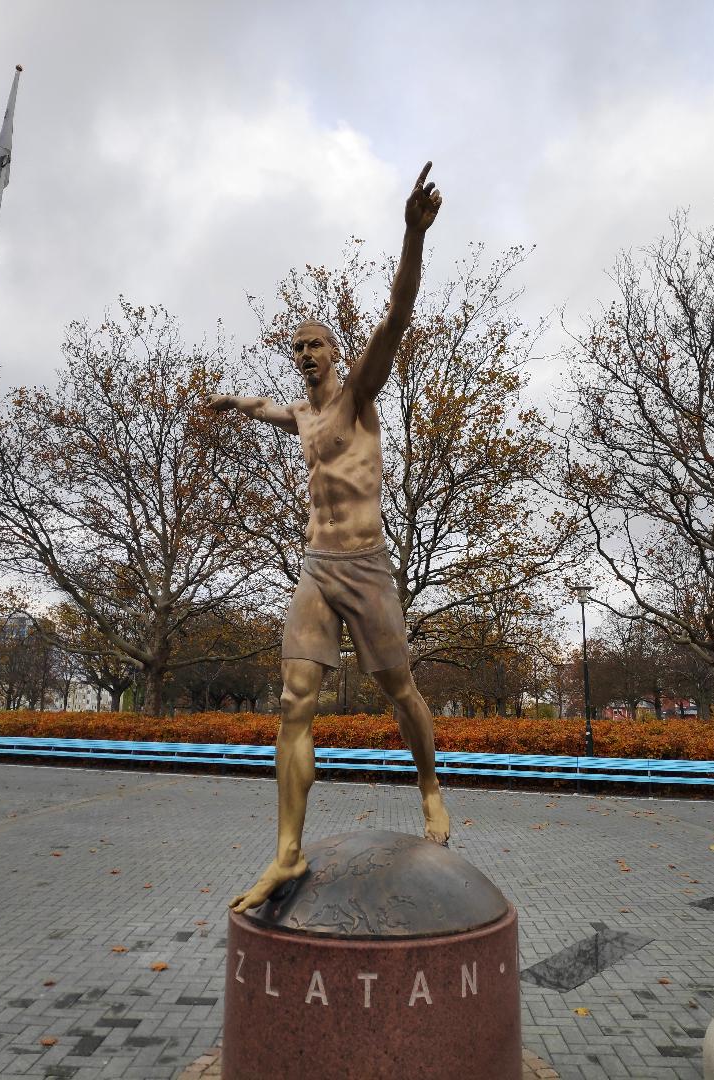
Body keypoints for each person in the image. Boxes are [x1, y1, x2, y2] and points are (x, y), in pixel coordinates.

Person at [208, 162, 449, 913]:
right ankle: (285, 853)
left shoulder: (359, 396)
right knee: (293, 700)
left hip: (367, 566)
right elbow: (265, 407)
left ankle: (432, 787)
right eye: (298, 347)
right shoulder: (304, 419)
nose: (308, 354)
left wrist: (411, 235)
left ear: (336, 353)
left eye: (316, 344)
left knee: (399, 691)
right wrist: (231, 400)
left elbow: (397, 316)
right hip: (317, 567)